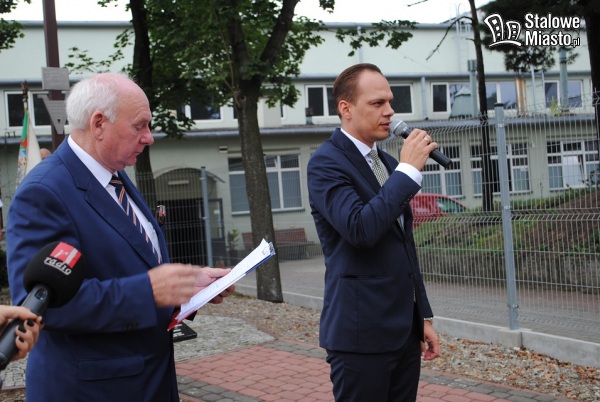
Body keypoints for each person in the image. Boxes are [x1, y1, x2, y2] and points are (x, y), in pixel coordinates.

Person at [6, 73, 234, 401]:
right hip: (92, 391)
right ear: (99, 124)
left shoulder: (114, 174)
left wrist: (187, 288)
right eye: (140, 126)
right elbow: (41, 307)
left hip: (146, 381)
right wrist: (150, 291)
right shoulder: (44, 192)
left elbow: (133, 264)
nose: (149, 137)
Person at [307, 63, 441, 402]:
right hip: (361, 335)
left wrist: (422, 317)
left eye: (390, 102)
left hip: (403, 332)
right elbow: (360, 229)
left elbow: (405, 247)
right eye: (378, 103)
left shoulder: (390, 166)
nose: (390, 111)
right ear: (346, 108)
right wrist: (407, 171)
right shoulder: (326, 163)